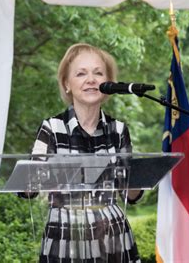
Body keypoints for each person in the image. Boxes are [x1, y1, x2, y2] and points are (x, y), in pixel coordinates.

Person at [25, 43, 143, 262]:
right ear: (67, 84)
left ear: (109, 84)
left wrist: (141, 174)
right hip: (64, 236)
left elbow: (131, 195)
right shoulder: (51, 127)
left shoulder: (118, 130)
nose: (91, 79)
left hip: (112, 236)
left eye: (98, 73)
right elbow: (29, 187)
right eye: (81, 73)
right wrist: (37, 175)